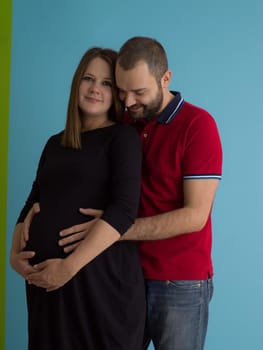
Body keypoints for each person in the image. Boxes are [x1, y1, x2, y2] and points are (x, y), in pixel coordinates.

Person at [16, 36, 223, 350]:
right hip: (130, 272)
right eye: (122, 91)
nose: (127, 102)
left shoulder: (197, 126)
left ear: (166, 79)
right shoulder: (128, 120)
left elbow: (195, 216)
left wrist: (114, 228)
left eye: (138, 92)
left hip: (177, 280)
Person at [9, 47, 146, 350]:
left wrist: (68, 268)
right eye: (88, 78)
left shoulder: (122, 139)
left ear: (117, 93)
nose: (95, 88)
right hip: (48, 289)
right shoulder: (55, 143)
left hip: (99, 287)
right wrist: (13, 255)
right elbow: (33, 199)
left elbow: (124, 211)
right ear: (76, 84)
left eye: (106, 83)